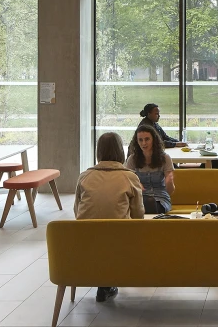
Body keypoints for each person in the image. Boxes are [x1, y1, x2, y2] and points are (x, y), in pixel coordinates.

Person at [74, 132, 145, 302]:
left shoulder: (84, 177)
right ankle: (108, 282)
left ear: (98, 152)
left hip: (85, 243)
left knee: (100, 235)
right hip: (119, 243)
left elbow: (77, 211)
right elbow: (138, 217)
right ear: (121, 151)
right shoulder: (129, 177)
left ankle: (104, 284)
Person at [125, 124, 176, 214]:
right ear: (137, 142)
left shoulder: (165, 158)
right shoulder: (132, 159)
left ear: (154, 140)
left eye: (147, 139)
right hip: (140, 197)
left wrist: (169, 181)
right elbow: (129, 182)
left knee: (150, 203)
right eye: (140, 140)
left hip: (160, 198)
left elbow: (170, 191)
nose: (144, 143)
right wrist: (137, 184)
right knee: (145, 202)